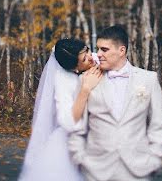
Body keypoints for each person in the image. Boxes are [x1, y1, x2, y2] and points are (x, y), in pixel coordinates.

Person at [68, 25, 162, 181]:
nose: (98, 54)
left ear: (121, 50)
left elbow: (159, 126)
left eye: (104, 50)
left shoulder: (148, 80)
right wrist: (80, 159)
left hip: (138, 170)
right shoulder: (86, 80)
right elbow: (77, 126)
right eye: (98, 49)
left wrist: (154, 159)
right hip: (95, 170)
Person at [19, 38, 103, 181]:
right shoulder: (63, 80)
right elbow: (68, 122)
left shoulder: (96, 58)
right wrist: (85, 90)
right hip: (72, 139)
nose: (91, 57)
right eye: (84, 59)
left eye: (88, 50)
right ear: (74, 69)